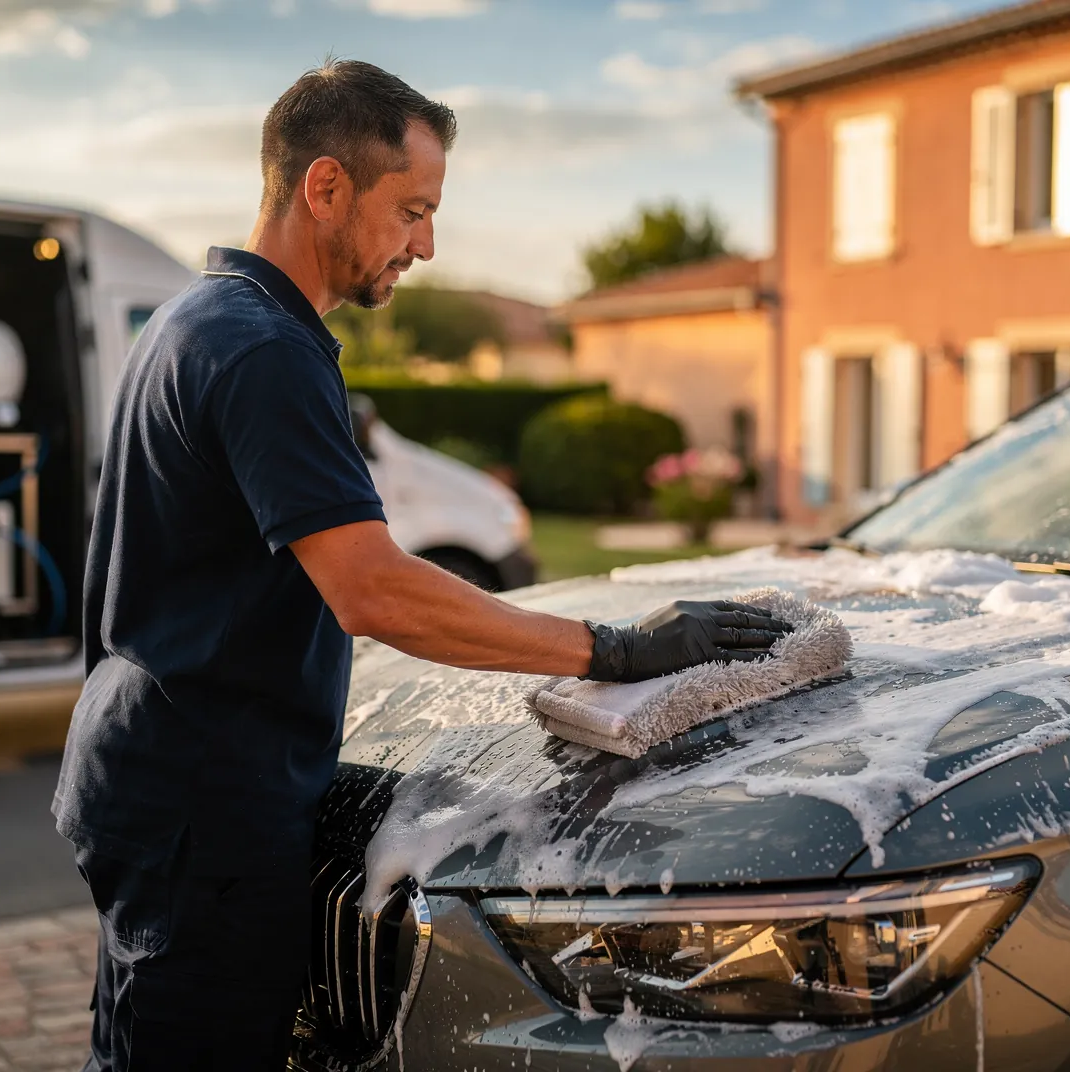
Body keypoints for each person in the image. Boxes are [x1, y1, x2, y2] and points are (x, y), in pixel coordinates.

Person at [50, 59, 792, 1070]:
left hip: (155, 778)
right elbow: (374, 588)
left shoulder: (200, 316)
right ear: (324, 187)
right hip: (201, 809)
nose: (427, 245)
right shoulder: (262, 345)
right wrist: (614, 649)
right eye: (411, 209)